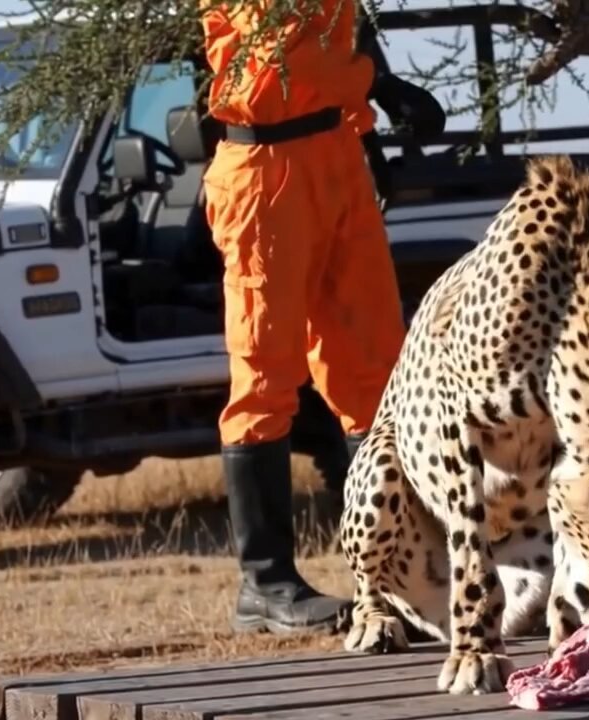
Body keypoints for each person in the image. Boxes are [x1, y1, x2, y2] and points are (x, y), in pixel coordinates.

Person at [199, 0, 407, 635]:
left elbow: (332, 42)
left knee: (377, 374)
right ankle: (265, 583)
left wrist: (367, 129)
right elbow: (283, 55)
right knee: (264, 378)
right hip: (264, 169)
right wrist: (376, 78)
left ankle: (397, 574)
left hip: (335, 153)